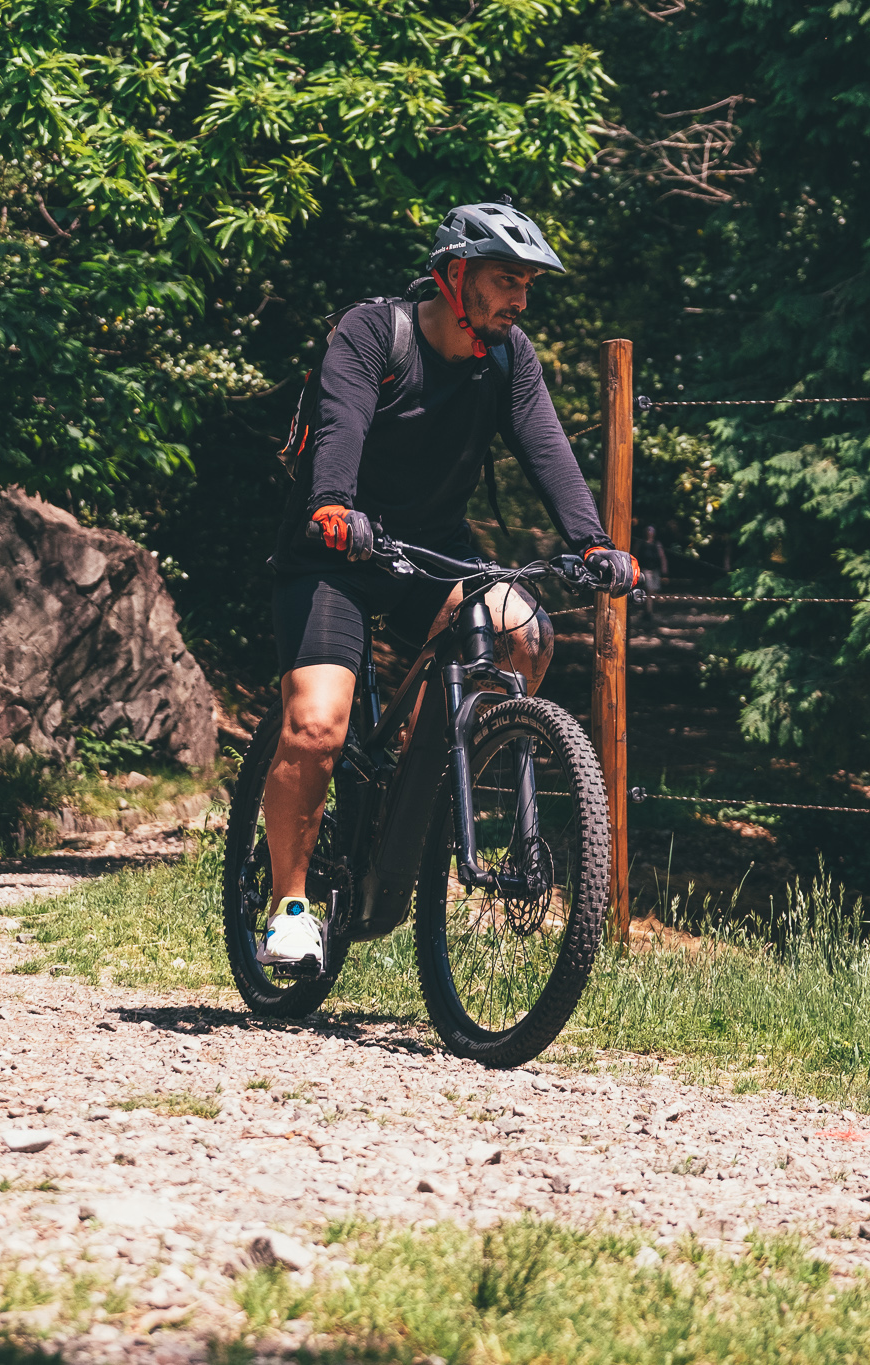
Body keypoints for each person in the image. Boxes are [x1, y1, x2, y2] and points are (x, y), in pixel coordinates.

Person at [258, 199, 638, 967]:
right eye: (507, 280)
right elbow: (341, 421)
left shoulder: (508, 355)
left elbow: (547, 445)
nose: (520, 300)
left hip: (432, 557)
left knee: (523, 630)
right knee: (320, 724)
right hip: (338, 555)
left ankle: (426, 774)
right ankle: (288, 904)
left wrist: (593, 542)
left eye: (528, 285)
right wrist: (332, 504)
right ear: (455, 275)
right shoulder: (372, 332)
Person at [637, 524, 669, 622]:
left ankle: (648, 610)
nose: (649, 533)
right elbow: (635, 556)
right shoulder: (640, 543)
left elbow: (662, 557)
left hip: (655, 570)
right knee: (649, 590)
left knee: (653, 592)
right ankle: (648, 613)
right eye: (648, 531)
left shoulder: (657, 544)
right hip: (645, 570)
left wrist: (664, 572)